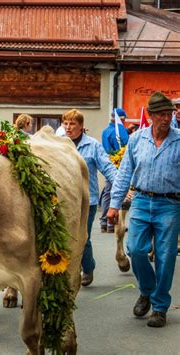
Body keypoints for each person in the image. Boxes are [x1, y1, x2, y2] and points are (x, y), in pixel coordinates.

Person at [107, 91, 180, 328]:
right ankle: (147, 290)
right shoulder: (137, 139)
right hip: (140, 200)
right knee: (135, 249)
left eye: (169, 113)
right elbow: (124, 173)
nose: (166, 119)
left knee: (165, 257)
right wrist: (114, 204)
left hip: (169, 204)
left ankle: (159, 307)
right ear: (150, 116)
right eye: (161, 114)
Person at [63, 109, 117, 287]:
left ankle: (88, 267)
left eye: (72, 124)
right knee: (65, 237)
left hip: (88, 200)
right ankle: (68, 270)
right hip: (63, 199)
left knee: (82, 237)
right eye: (65, 123)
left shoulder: (92, 145)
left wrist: (121, 187)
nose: (68, 127)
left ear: (81, 126)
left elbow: (107, 167)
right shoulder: (58, 144)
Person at [99, 108, 129, 233]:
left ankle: (104, 222)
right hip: (119, 164)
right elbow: (125, 145)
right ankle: (113, 223)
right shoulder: (120, 131)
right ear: (121, 119)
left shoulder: (106, 131)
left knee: (107, 192)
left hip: (109, 164)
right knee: (117, 193)